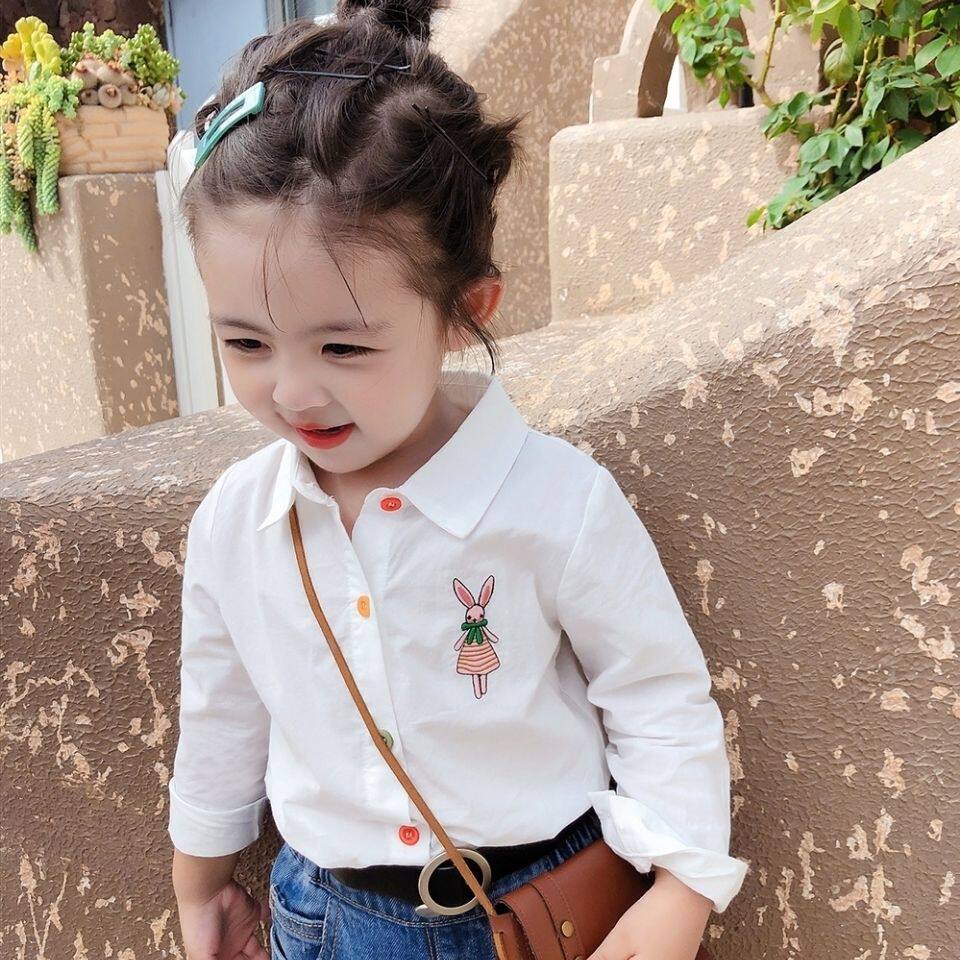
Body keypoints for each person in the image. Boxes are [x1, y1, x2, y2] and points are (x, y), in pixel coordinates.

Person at [167, 2, 748, 958]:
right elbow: (221, 713)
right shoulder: (237, 522)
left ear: (463, 309)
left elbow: (657, 699)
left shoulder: (557, 501)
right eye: (245, 342)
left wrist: (680, 895)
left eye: (344, 346)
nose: (293, 389)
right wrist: (200, 883)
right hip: (326, 921)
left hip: (535, 913)